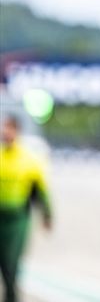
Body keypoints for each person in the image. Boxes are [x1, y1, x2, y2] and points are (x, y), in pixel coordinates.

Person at [0, 115, 51, 302]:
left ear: (17, 131)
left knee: (11, 264)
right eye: (3, 128)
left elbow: (40, 191)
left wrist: (47, 215)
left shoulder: (29, 160)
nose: (5, 133)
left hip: (17, 220)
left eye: (9, 128)